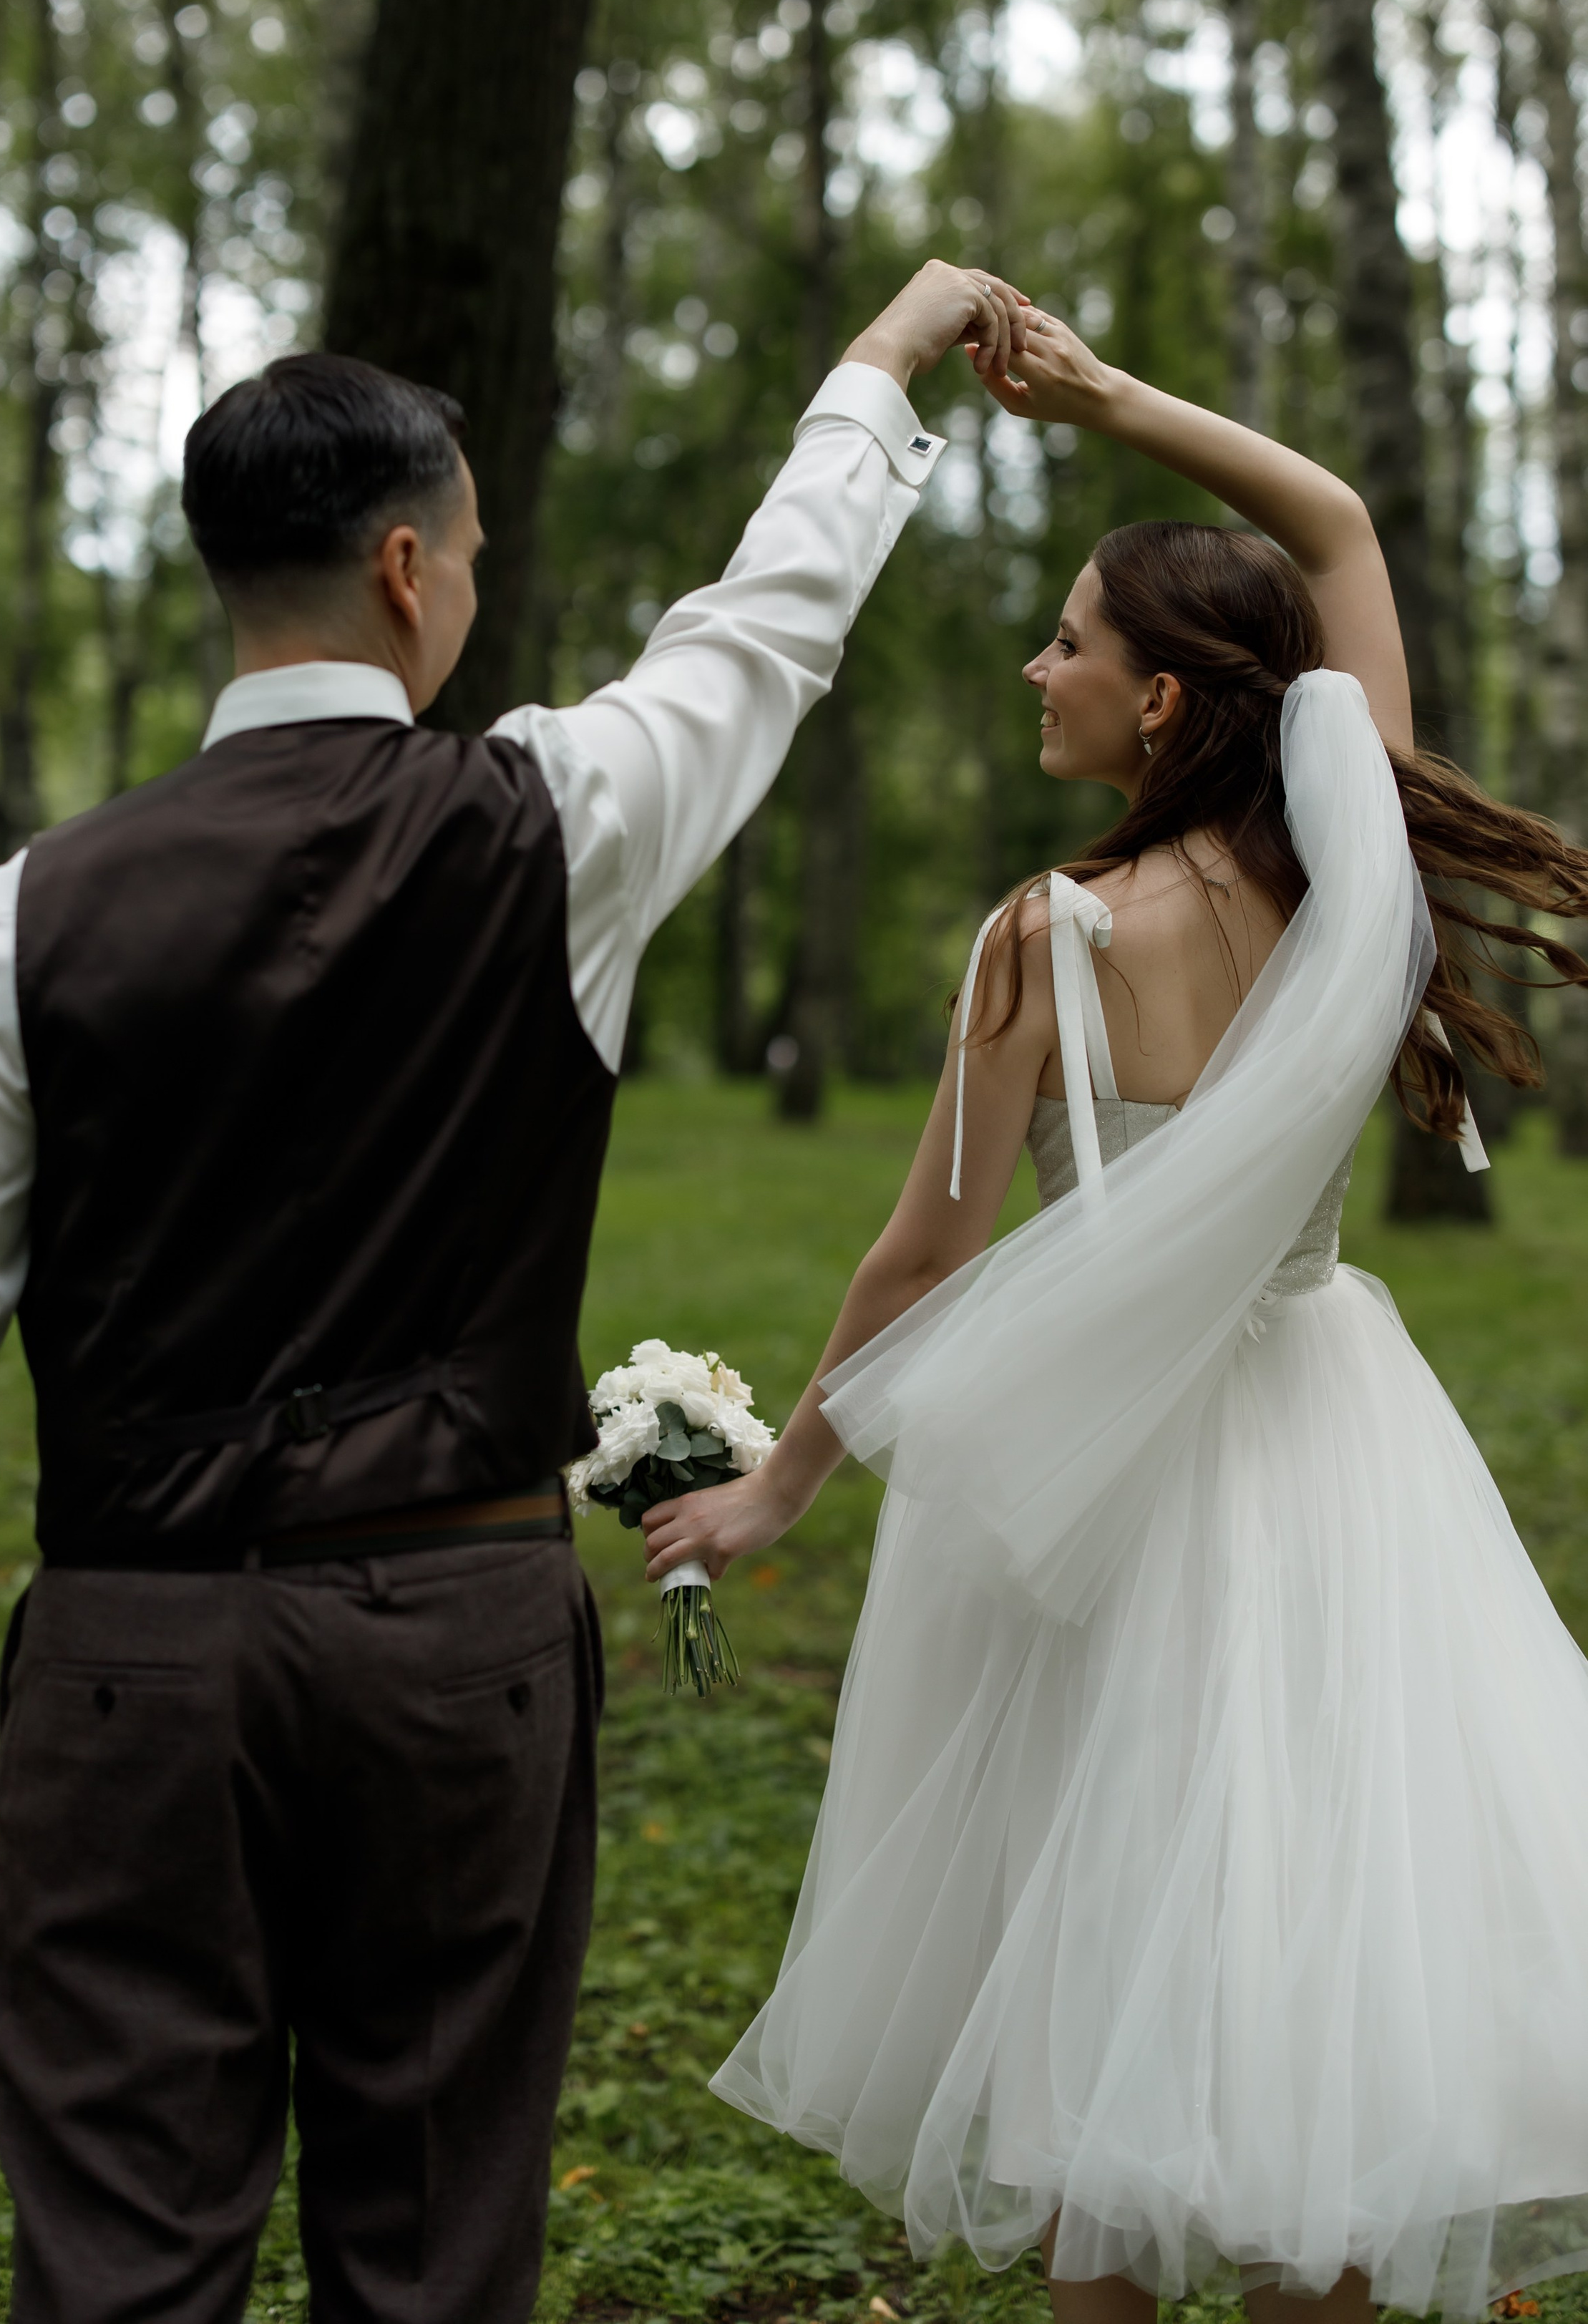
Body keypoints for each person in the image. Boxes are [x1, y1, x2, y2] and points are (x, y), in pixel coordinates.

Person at [0, 257, 1031, 2324]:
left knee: (116, 2261)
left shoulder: (38, 908)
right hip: (457, 1650)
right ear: (411, 563)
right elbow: (767, 629)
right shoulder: (559, 825)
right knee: (435, 2251)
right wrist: (882, 368)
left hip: (127, 1662)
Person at [646, 305, 1588, 2324]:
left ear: (1164, 702)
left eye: (1070, 639)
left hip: (1123, 1486)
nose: (1037, 668)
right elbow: (1333, 527)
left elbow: (923, 1259)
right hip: (1340, 1439)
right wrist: (1110, 407)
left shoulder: (1046, 939)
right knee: (1315, 1969)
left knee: (1108, 1974)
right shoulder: (1360, 880)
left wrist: (779, 1493)